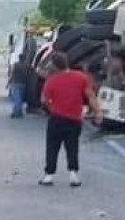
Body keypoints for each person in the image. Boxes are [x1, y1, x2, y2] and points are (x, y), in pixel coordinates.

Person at [39, 52, 102, 187]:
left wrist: (51, 108)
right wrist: (98, 112)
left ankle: (49, 175)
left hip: (56, 118)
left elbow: (43, 100)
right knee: (72, 146)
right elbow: (90, 96)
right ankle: (74, 175)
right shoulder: (81, 78)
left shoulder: (51, 81)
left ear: (54, 66)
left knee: (52, 147)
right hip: (74, 119)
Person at [8, 54, 28, 118]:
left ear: (19, 58)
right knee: (20, 98)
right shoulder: (26, 66)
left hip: (16, 82)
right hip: (23, 83)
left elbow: (12, 74)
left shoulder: (16, 65)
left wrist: (9, 82)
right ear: (24, 59)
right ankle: (19, 111)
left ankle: (16, 112)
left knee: (16, 98)